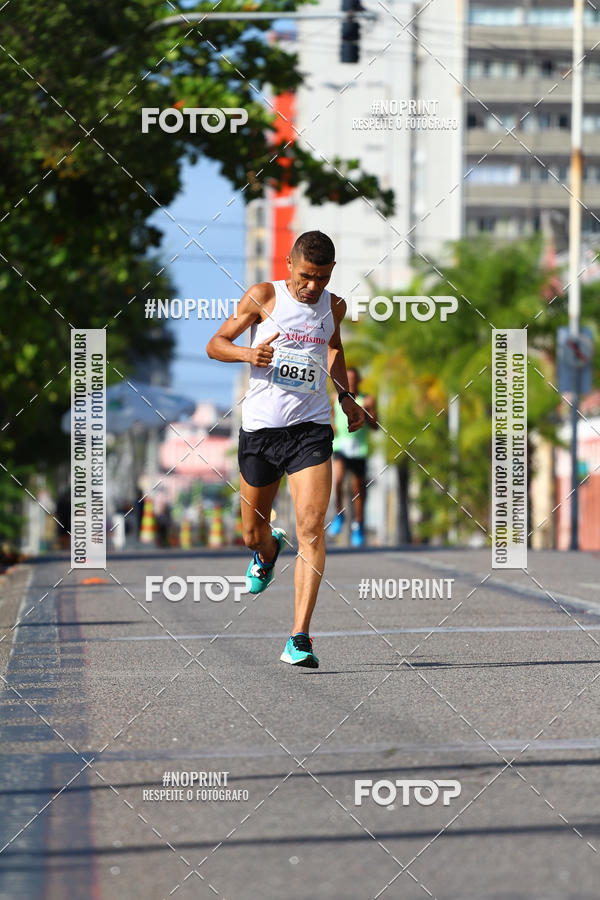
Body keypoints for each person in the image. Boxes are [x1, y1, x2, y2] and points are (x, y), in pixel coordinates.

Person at [206, 230, 364, 668]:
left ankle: (300, 637)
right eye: (306, 277)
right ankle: (266, 549)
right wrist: (246, 356)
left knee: (311, 530)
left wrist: (346, 397)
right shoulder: (264, 297)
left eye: (322, 278)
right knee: (250, 533)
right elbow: (214, 345)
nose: (312, 287)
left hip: (310, 430)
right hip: (261, 433)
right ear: (289, 265)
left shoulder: (334, 306)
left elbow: (334, 348)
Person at [329, 367, 378, 547]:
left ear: (359, 380)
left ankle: (358, 524)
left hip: (359, 449)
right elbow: (332, 420)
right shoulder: (336, 398)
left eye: (353, 379)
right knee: (339, 479)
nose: (350, 382)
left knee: (358, 490)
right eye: (347, 379)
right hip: (341, 446)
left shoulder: (367, 399)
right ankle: (339, 514)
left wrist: (365, 412)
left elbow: (375, 426)